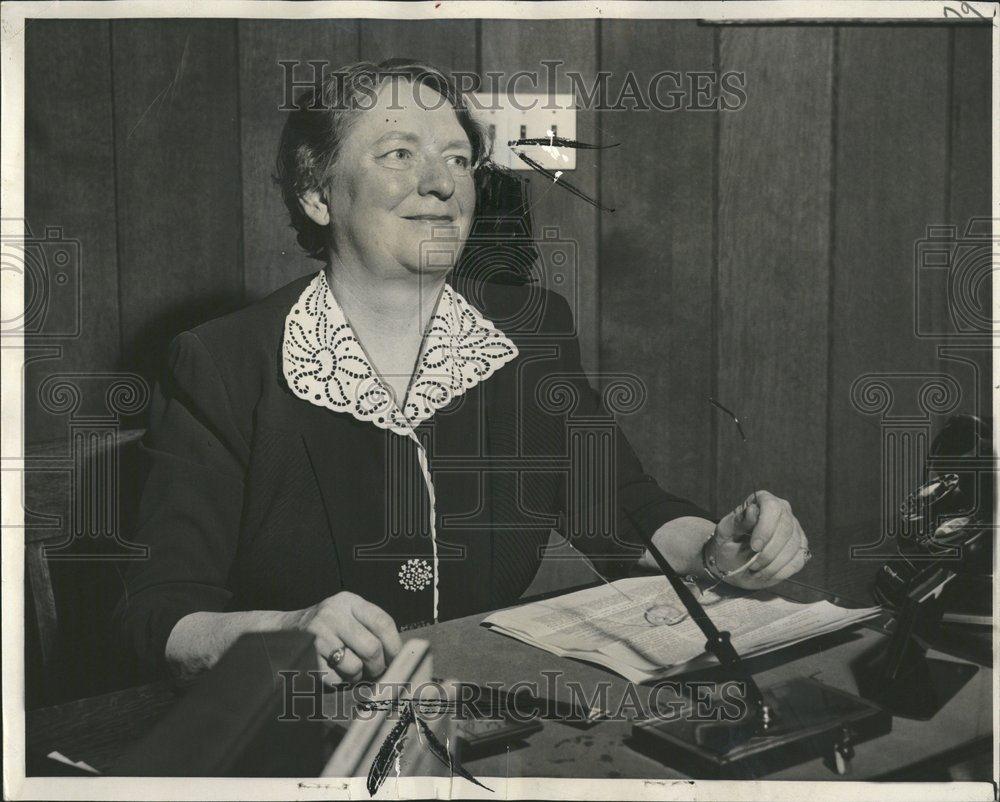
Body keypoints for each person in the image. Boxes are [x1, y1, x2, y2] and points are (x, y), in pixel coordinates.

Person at [115, 59, 809, 686]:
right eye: (398, 153)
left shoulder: (526, 333)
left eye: (457, 157)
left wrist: (720, 550)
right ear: (317, 194)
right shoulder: (225, 362)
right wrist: (285, 631)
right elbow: (159, 615)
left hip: (484, 716)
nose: (443, 181)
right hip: (300, 728)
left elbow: (626, 513)